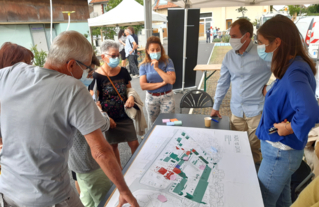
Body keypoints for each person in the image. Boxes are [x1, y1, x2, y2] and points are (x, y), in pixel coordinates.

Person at [0, 31, 138, 207]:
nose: (87, 73)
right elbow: (100, 152)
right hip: (49, 197)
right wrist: (124, 191)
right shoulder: (73, 88)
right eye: (87, 67)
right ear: (72, 65)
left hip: (8, 192)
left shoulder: (11, 73)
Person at [255, 15, 319, 207]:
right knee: (283, 201)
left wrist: (289, 128)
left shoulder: (295, 72)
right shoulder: (293, 65)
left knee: (262, 201)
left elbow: (309, 111)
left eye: (261, 43)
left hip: (280, 152)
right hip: (278, 147)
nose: (259, 48)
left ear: (277, 42)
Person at [210, 18, 271, 165]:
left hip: (256, 112)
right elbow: (223, 83)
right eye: (230, 35)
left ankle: (254, 181)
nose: (231, 39)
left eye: (234, 36)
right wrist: (215, 106)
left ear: (247, 36)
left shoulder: (263, 53)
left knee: (253, 150)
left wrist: (270, 88)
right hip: (236, 112)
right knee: (236, 149)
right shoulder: (229, 56)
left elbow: (282, 72)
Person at [89, 39, 139, 167]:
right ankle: (120, 171)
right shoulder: (97, 76)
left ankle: (136, 167)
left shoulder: (123, 71)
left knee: (134, 143)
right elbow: (93, 99)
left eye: (118, 55)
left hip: (125, 113)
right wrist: (103, 115)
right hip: (110, 119)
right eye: (113, 56)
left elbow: (129, 89)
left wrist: (131, 97)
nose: (116, 58)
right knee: (113, 146)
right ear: (103, 56)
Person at [68, 100, 112, 207]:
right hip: (92, 164)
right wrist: (99, 110)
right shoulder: (78, 102)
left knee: (87, 200)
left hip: (75, 163)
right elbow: (104, 125)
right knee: (104, 200)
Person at [139, 36, 176, 126]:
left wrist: (157, 68)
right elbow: (143, 86)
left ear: (161, 49)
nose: (155, 52)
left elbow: (171, 80)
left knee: (169, 124)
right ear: (147, 51)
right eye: (152, 50)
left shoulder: (167, 61)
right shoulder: (143, 65)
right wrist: (163, 83)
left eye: (157, 49)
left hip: (167, 97)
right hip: (151, 99)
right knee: (154, 125)